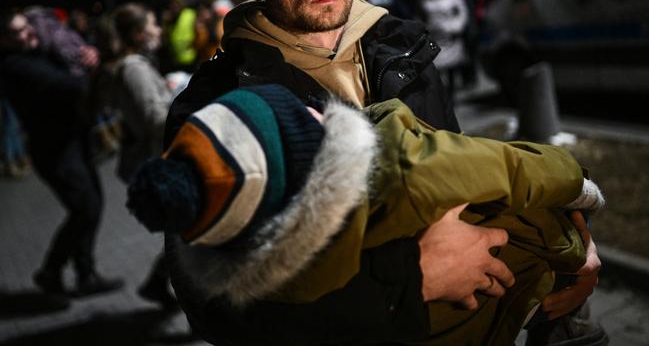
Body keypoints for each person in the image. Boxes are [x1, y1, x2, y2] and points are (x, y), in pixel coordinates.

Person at [162, 0, 604, 345]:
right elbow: (214, 309)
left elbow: (460, 174)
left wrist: (570, 249)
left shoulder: (403, 49)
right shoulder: (216, 107)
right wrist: (404, 285)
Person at [130, 83, 604, 345]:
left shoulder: (293, 267)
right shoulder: (402, 166)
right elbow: (510, 166)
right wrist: (578, 186)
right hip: (538, 255)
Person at [0, 9, 123, 298]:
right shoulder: (15, 65)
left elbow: (72, 62)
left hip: (73, 142)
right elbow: (69, 86)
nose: (28, 32)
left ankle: (84, 273)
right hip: (54, 150)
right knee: (85, 208)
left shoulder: (38, 52)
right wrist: (95, 68)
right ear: (3, 40)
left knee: (92, 204)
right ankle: (51, 270)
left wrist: (86, 54)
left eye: (27, 26)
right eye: (18, 31)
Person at [93, 3, 177, 308]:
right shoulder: (134, 69)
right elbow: (155, 119)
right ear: (140, 34)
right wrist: (185, 101)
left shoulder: (133, 66)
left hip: (151, 158)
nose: (157, 29)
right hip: (156, 160)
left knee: (183, 230)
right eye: (153, 24)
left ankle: (158, 283)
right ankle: (176, 291)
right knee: (187, 230)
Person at [418, 0, 469, 100]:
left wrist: (455, 27)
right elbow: (419, 16)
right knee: (436, 69)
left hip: (450, 39)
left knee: (451, 68)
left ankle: (452, 96)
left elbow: (462, 12)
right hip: (435, 38)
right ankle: (440, 96)